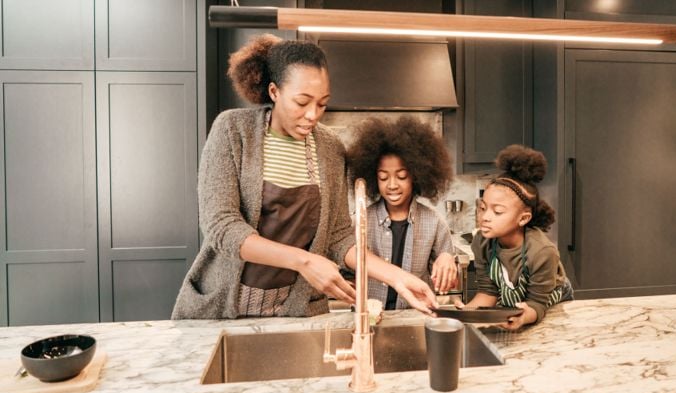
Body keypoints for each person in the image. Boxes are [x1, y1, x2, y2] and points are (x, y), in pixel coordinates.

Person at [171, 35, 437, 319]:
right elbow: (222, 227)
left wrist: (396, 277)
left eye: (322, 104)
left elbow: (338, 236)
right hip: (221, 309)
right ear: (274, 91)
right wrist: (305, 262)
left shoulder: (330, 147)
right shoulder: (233, 131)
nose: (313, 115)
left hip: (294, 312)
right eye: (302, 102)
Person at [346, 116, 457, 310]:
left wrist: (448, 259)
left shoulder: (434, 223)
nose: (392, 185)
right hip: (370, 318)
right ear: (374, 178)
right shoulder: (361, 220)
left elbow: (448, 275)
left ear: (416, 175)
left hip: (415, 315)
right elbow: (344, 265)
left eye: (401, 176)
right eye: (383, 177)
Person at [463, 144, 573, 329]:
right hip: (518, 310)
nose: (485, 217)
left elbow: (537, 304)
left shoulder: (542, 252)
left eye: (497, 211)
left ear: (523, 218)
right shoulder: (482, 242)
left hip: (552, 312)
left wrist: (522, 317)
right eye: (483, 208)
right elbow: (488, 292)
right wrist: (464, 314)